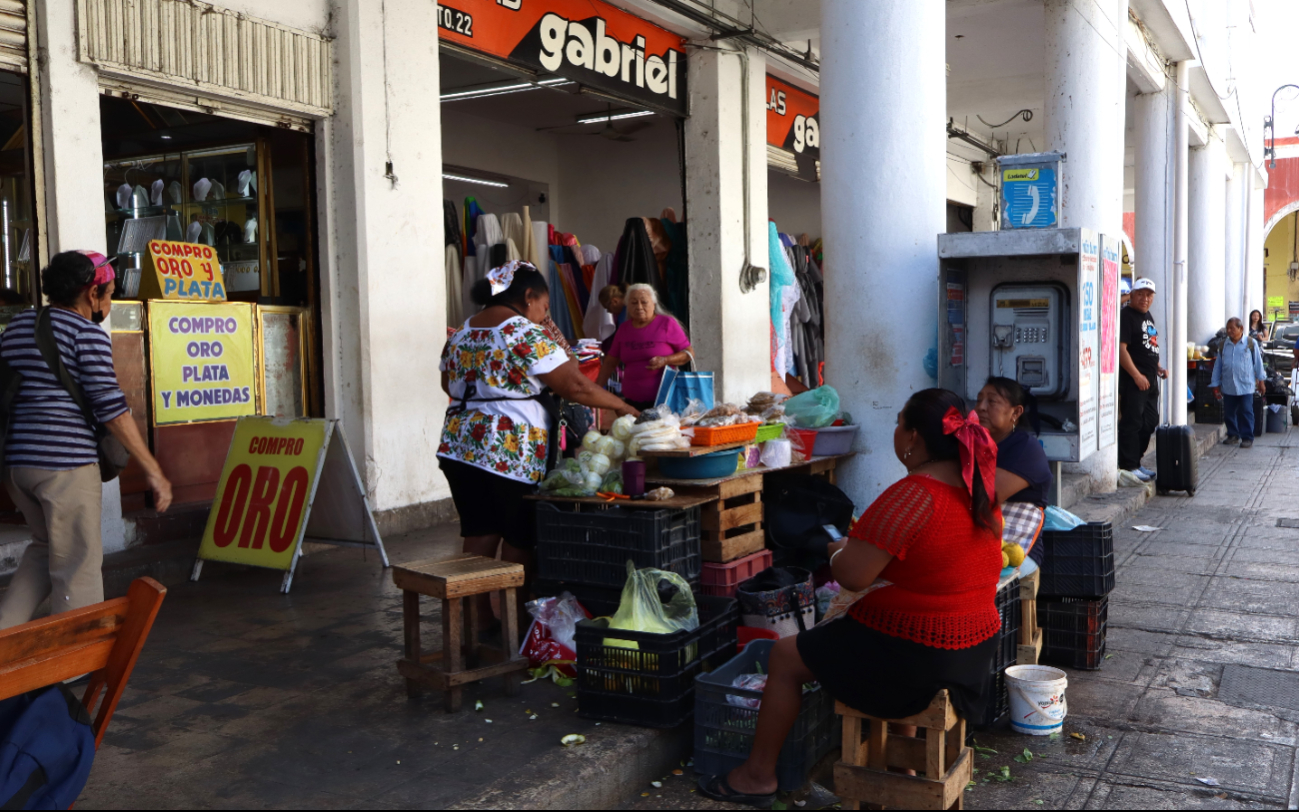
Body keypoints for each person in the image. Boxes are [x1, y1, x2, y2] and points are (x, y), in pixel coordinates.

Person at [697, 389, 1003, 807]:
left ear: (912, 437)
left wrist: (837, 550)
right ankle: (902, 765)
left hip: (923, 655)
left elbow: (853, 577)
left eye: (899, 423)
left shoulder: (914, 495)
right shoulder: (979, 491)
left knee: (786, 657)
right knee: (884, 634)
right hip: (973, 651)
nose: (896, 432)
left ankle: (756, 776)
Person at [437, 261, 637, 624]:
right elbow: (573, 385)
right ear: (529, 297)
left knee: (479, 530)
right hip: (508, 449)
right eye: (545, 307)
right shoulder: (522, 332)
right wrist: (623, 407)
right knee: (518, 535)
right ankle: (515, 621)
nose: (546, 316)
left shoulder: (462, 331)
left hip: (459, 445)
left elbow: (446, 384)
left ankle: (478, 618)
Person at [0, 251, 172, 630]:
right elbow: (113, 411)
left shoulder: (17, 327)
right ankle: (71, 669)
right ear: (91, 295)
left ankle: (3, 639)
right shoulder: (84, 333)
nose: (109, 303)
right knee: (77, 568)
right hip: (64, 466)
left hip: (17, 466)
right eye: (109, 294)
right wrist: (154, 471)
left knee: (45, 550)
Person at [976, 377, 1052, 570]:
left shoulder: (1026, 448)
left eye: (991, 401)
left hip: (1017, 547)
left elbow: (985, 496)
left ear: (1016, 412)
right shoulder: (978, 443)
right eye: (979, 400)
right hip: (981, 537)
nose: (981, 407)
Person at [595, 283, 691, 411]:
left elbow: (689, 353)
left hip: (665, 401)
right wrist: (596, 390)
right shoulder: (624, 329)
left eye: (644, 302)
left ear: (654, 304)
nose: (639, 307)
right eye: (634, 303)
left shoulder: (666, 323)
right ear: (627, 306)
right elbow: (610, 362)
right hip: (631, 403)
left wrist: (665, 360)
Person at [1118, 278, 1166, 481]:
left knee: (1150, 421)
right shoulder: (1126, 316)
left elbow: (1149, 345)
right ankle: (1128, 465)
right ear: (1132, 294)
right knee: (1132, 422)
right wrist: (1137, 375)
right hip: (1134, 380)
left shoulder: (1147, 316)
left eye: (1149, 295)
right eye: (1141, 294)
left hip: (1150, 379)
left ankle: (1136, 461)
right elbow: (1121, 350)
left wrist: (1157, 367)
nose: (1145, 299)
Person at [1211, 317, 1266, 449]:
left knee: (1246, 411)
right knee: (1229, 412)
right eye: (1228, 328)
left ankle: (1247, 437)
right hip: (1229, 385)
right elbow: (1218, 365)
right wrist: (1215, 383)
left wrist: (1261, 382)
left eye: (1232, 328)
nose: (1229, 331)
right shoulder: (1223, 345)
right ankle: (1233, 435)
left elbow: (1258, 364)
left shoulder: (1250, 343)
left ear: (1240, 329)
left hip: (1246, 385)